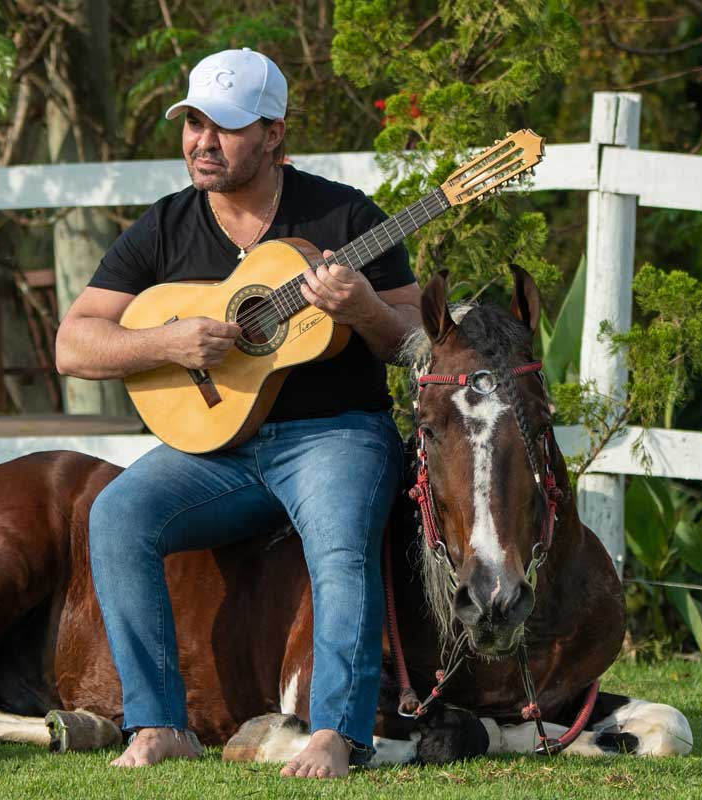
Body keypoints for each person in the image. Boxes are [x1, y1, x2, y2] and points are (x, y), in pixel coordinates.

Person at [53, 47, 421, 779]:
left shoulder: (344, 216)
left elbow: (414, 344)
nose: (201, 141)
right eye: (192, 123)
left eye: (223, 126)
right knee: (117, 515)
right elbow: (73, 342)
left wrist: (367, 309)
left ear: (274, 133)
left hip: (335, 435)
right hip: (217, 447)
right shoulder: (165, 227)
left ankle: (336, 735)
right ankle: (161, 723)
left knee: (341, 541)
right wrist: (169, 340)